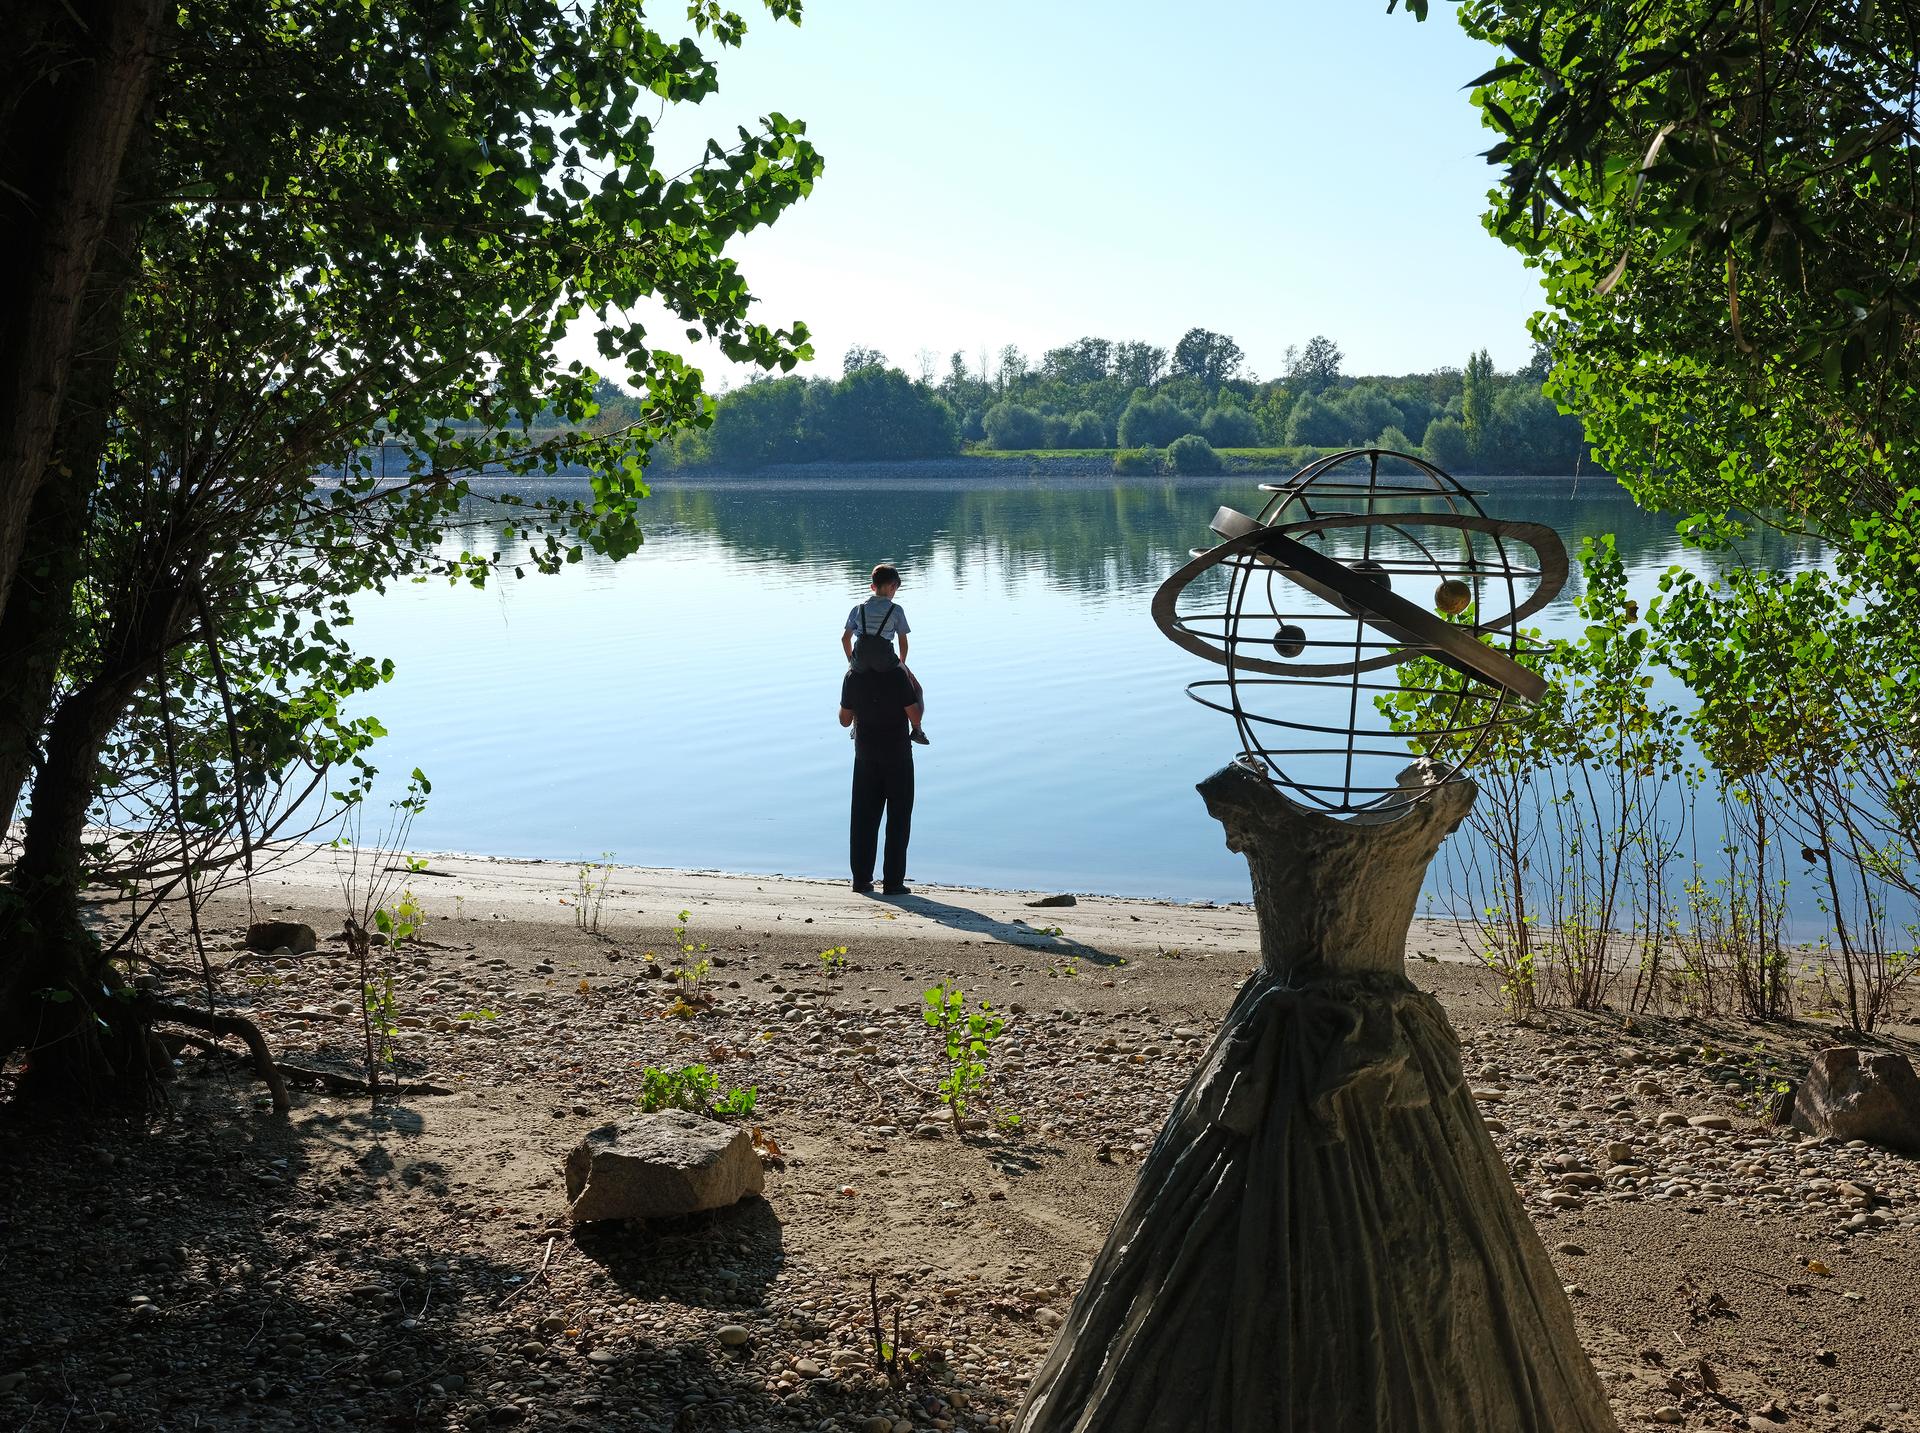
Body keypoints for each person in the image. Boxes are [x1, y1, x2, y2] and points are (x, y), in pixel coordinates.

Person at [840, 658, 918, 895]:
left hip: (865, 757)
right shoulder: (897, 675)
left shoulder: (852, 675)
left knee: (863, 819)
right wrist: (919, 693)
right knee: (898, 820)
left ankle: (861, 880)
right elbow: (915, 716)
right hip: (897, 756)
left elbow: (844, 720)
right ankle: (893, 883)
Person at [841, 563, 928, 744]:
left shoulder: (858, 609)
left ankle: (855, 725)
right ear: (893, 586)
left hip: (861, 657)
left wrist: (852, 661)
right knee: (905, 677)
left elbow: (845, 639)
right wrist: (902, 664)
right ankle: (917, 730)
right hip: (883, 658)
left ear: (872, 587)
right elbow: (903, 643)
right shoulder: (896, 610)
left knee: (851, 679)